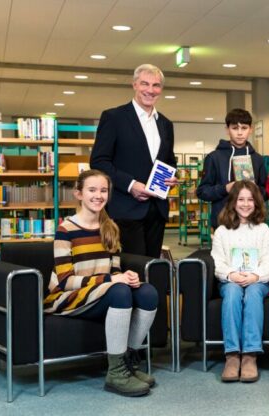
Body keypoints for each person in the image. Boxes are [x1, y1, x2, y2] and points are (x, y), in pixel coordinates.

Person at [43, 169, 159, 397]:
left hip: (102, 291)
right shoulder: (65, 230)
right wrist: (112, 279)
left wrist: (126, 276)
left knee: (147, 292)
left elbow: (113, 268)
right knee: (119, 292)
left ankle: (129, 362)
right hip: (67, 298)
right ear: (79, 194)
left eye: (103, 190)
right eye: (92, 190)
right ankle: (116, 373)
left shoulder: (110, 227)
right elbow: (65, 281)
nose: (98, 195)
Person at [90, 64, 178, 258]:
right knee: (131, 270)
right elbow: (98, 161)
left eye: (156, 85)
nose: (150, 90)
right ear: (134, 85)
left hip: (157, 210)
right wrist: (131, 185)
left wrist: (173, 177)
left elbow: (169, 161)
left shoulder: (165, 124)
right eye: (145, 84)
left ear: (161, 90)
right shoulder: (114, 117)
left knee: (151, 267)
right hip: (125, 209)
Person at [210, 180, 269, 382]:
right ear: (233, 202)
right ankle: (231, 355)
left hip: (259, 280)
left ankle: (250, 354)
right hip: (231, 280)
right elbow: (218, 261)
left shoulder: (263, 229)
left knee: (254, 293)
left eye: (250, 200)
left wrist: (256, 276)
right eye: (241, 199)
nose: (245, 204)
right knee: (231, 293)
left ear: (256, 203)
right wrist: (231, 275)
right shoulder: (222, 231)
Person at [197, 108, 268, 229]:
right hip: (222, 223)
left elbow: (266, 192)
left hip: (252, 223)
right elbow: (202, 192)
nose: (240, 133)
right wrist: (225, 188)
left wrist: (254, 190)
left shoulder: (257, 159)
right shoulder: (214, 157)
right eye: (235, 128)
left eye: (244, 128)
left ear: (250, 130)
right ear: (227, 130)